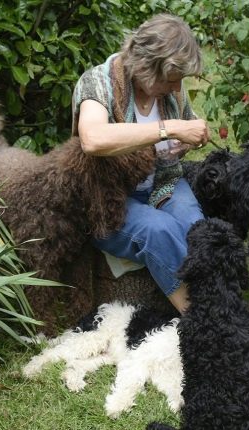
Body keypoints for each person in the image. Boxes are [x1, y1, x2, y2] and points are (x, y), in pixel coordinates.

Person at [71, 14, 210, 314]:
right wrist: (168, 129)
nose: (177, 89)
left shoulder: (171, 92)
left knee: (195, 230)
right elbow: (92, 139)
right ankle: (202, 319)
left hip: (165, 182)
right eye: (171, 81)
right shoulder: (98, 82)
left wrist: (188, 140)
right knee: (158, 231)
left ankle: (222, 302)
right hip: (108, 197)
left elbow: (182, 129)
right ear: (147, 66)